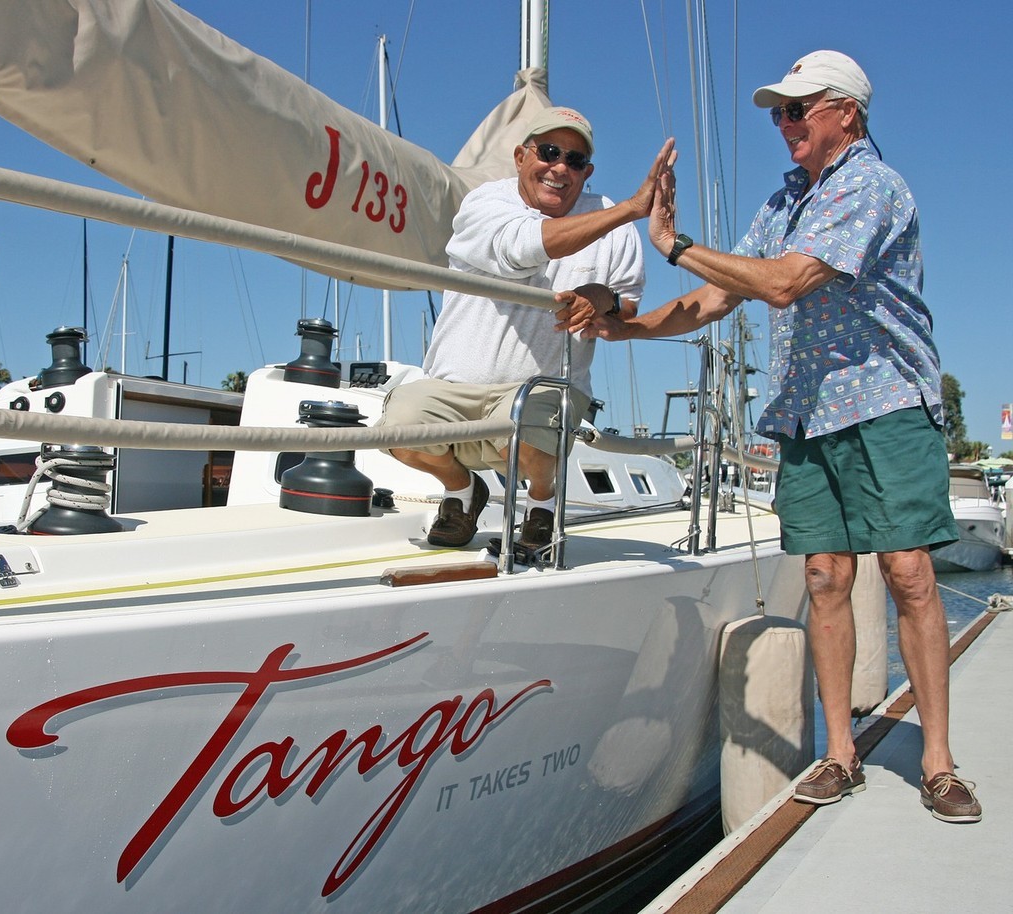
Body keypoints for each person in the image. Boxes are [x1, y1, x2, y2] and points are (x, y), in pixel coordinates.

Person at [561, 50, 981, 823]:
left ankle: (939, 762)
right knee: (824, 576)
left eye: (797, 109)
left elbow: (783, 282)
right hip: (805, 411)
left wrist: (674, 244)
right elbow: (719, 297)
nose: (782, 124)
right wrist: (624, 331)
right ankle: (840, 754)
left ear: (845, 113)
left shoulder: (870, 186)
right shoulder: (787, 198)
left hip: (884, 402)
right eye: (776, 113)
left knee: (910, 574)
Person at [379, 106, 669, 551]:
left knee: (528, 423)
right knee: (397, 427)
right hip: (453, 387)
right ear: (520, 157)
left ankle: (542, 504)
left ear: (586, 171)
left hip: (545, 386)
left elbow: (627, 304)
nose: (559, 167)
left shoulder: (611, 221)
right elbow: (521, 248)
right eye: (549, 152)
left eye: (574, 160)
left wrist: (602, 297)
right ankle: (462, 490)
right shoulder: (487, 203)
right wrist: (632, 208)